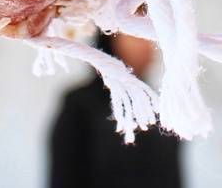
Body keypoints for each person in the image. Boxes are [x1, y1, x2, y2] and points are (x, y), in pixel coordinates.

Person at [48, 32, 183, 188]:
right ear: (109, 38)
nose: (149, 45)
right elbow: (64, 176)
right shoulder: (81, 104)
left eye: (153, 37)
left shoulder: (161, 107)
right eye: (137, 36)